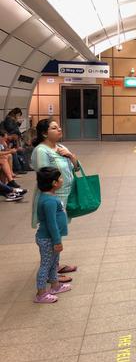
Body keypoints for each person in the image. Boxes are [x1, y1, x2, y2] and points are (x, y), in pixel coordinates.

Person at [31, 119, 79, 281]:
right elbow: (45, 176)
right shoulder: (41, 151)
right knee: (53, 231)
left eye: (58, 126)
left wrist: (70, 156)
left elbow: (76, 167)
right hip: (53, 197)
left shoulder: (61, 148)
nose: (59, 129)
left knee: (58, 230)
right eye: (54, 128)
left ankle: (55, 266)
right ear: (44, 133)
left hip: (64, 196)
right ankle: (52, 272)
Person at [34, 166, 71, 303]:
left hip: (52, 238)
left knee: (54, 262)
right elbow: (51, 223)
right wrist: (57, 241)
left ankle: (55, 285)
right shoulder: (49, 201)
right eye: (60, 178)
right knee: (46, 264)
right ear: (54, 183)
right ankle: (41, 293)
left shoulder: (50, 196)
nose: (62, 180)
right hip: (48, 239)